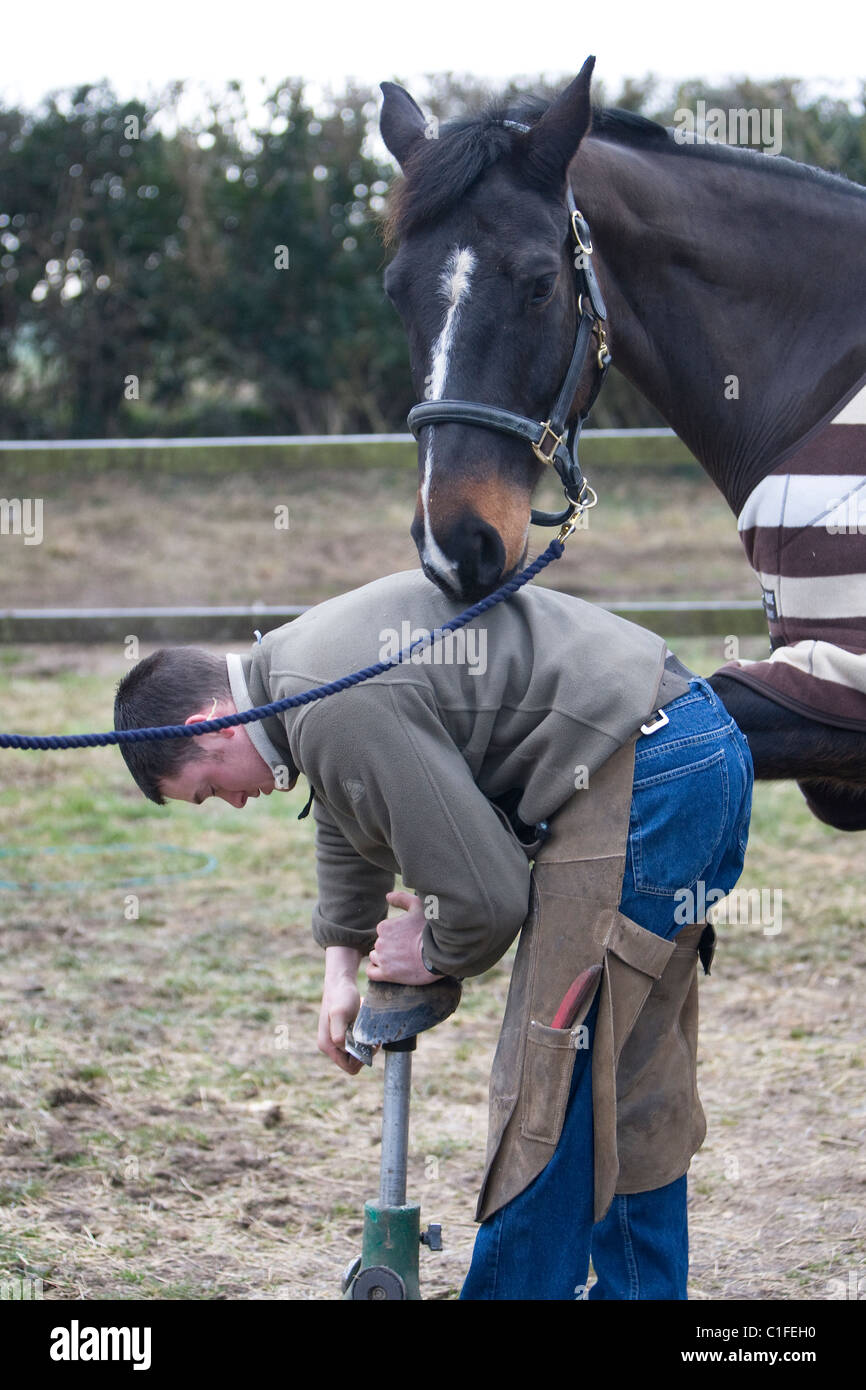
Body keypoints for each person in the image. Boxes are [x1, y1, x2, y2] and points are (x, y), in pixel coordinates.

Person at [114, 569, 753, 1300]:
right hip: (688, 748)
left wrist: (433, 947)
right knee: (629, 1071)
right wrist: (341, 965)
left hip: (639, 783)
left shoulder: (326, 704)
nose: (231, 802)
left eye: (210, 786)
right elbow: (344, 806)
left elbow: (484, 901)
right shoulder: (297, 668)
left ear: (209, 725)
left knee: (548, 1085)